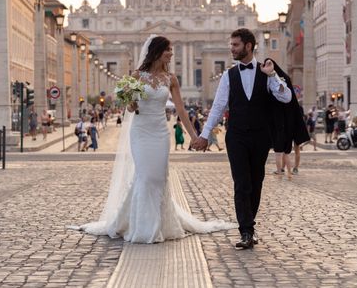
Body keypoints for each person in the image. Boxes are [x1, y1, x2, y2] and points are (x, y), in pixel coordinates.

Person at [75, 35, 235, 243]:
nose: (171, 53)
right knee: (145, 177)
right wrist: (130, 104)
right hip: (141, 132)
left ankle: (154, 223)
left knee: (158, 177)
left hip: (160, 133)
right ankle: (144, 227)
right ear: (158, 51)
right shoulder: (137, 76)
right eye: (168, 49)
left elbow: (181, 111)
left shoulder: (171, 79)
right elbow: (129, 105)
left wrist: (196, 136)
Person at [192, 29, 292, 249]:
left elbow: (286, 97)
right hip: (236, 135)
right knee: (242, 184)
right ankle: (245, 230)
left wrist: (272, 76)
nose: (232, 49)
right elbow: (218, 107)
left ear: (248, 46)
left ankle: (250, 227)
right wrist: (204, 135)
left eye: (235, 45)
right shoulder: (229, 75)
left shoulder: (267, 73)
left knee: (256, 183)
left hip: (260, 136)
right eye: (231, 45)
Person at [266, 58, 310, 180]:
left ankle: (285, 171)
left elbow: (286, 95)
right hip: (283, 120)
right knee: (285, 151)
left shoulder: (282, 79)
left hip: (284, 120)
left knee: (282, 151)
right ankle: (287, 171)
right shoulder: (269, 78)